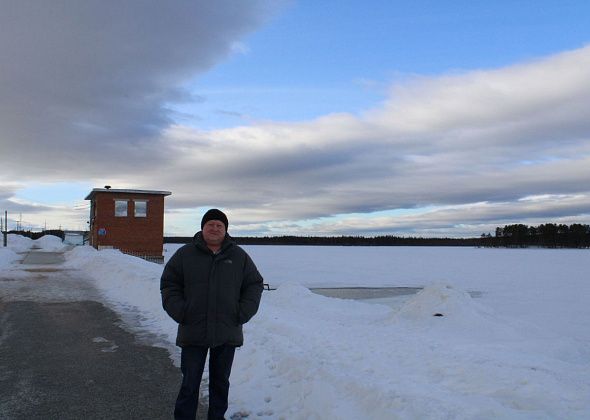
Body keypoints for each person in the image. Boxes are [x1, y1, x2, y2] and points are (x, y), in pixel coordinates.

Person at [160, 209, 264, 420]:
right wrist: (181, 311)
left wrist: (242, 312)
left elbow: (254, 284)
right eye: (211, 225)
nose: (215, 229)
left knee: (220, 383)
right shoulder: (185, 254)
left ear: (225, 230)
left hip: (227, 330)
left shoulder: (238, 256)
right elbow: (169, 284)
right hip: (193, 329)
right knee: (190, 383)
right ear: (202, 228)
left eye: (219, 225)